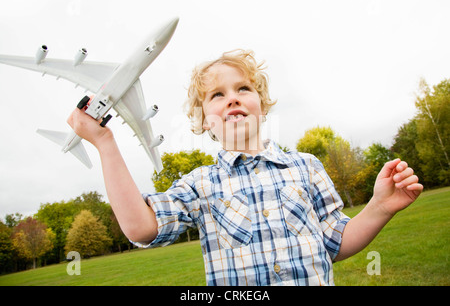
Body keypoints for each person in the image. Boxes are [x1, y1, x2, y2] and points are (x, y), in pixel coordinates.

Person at [67, 49, 423, 286]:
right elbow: (140, 228)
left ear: (262, 107)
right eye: (217, 95)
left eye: (243, 88)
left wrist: (378, 208)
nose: (232, 97)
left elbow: (336, 242)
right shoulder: (199, 184)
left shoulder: (308, 167)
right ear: (205, 120)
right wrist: (105, 143)